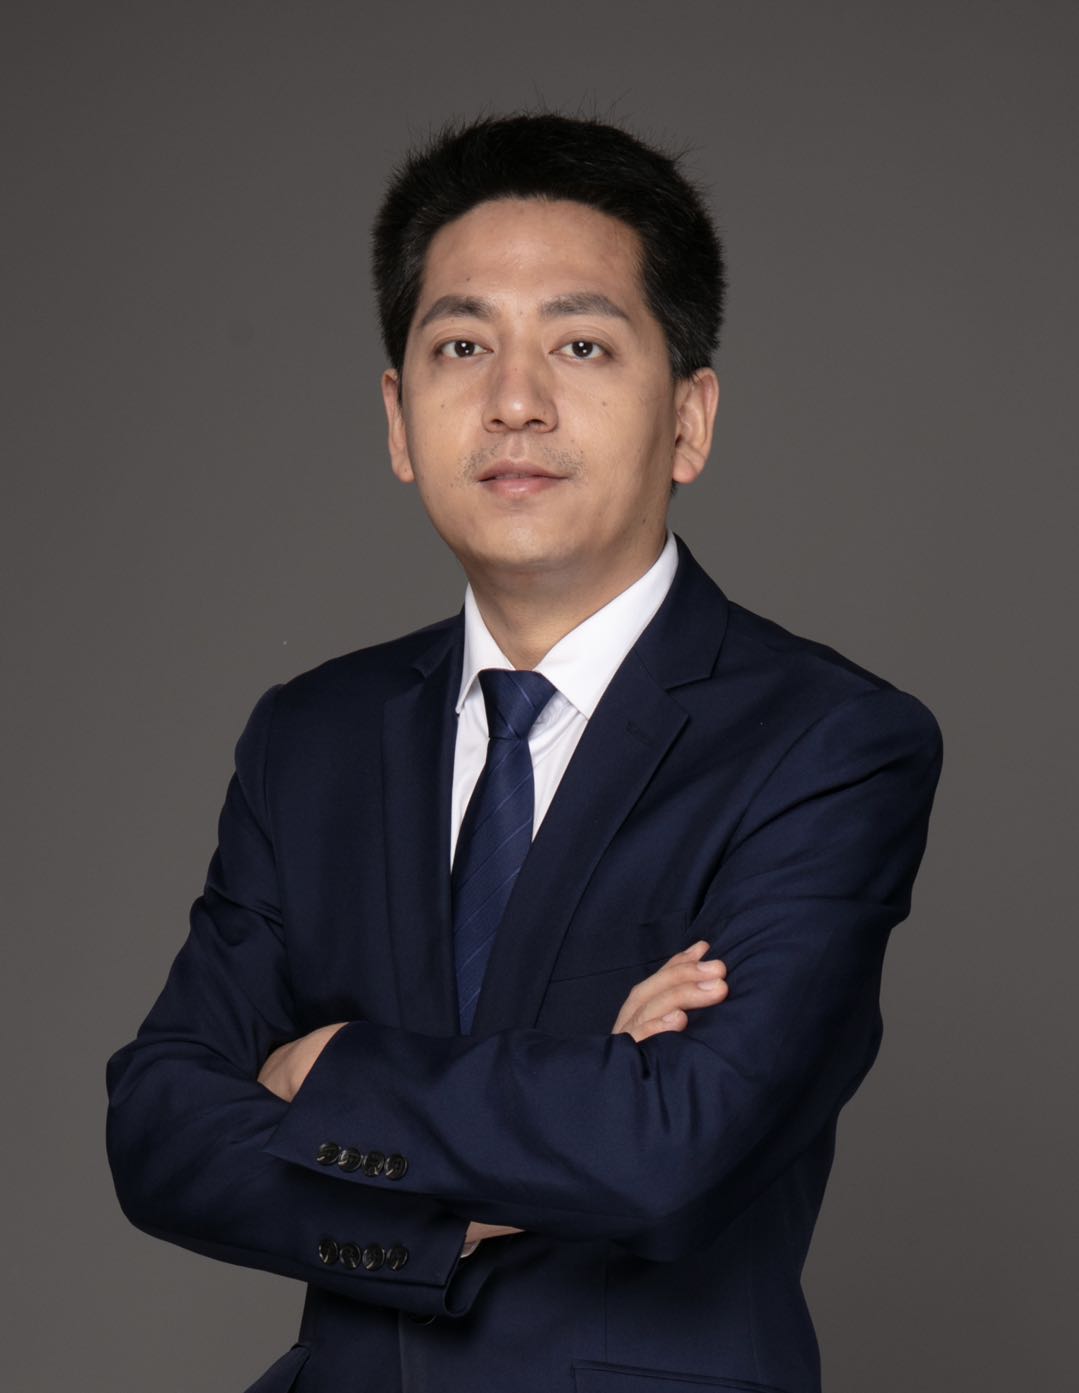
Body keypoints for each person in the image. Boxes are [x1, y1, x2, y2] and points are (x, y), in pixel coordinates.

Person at [105, 112, 944, 1393]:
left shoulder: (825, 741)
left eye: (580, 344)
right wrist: (475, 1196)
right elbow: (159, 1124)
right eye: (460, 345)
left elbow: (675, 1147)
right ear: (398, 420)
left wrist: (326, 1068)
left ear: (688, 419)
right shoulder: (311, 736)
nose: (513, 400)